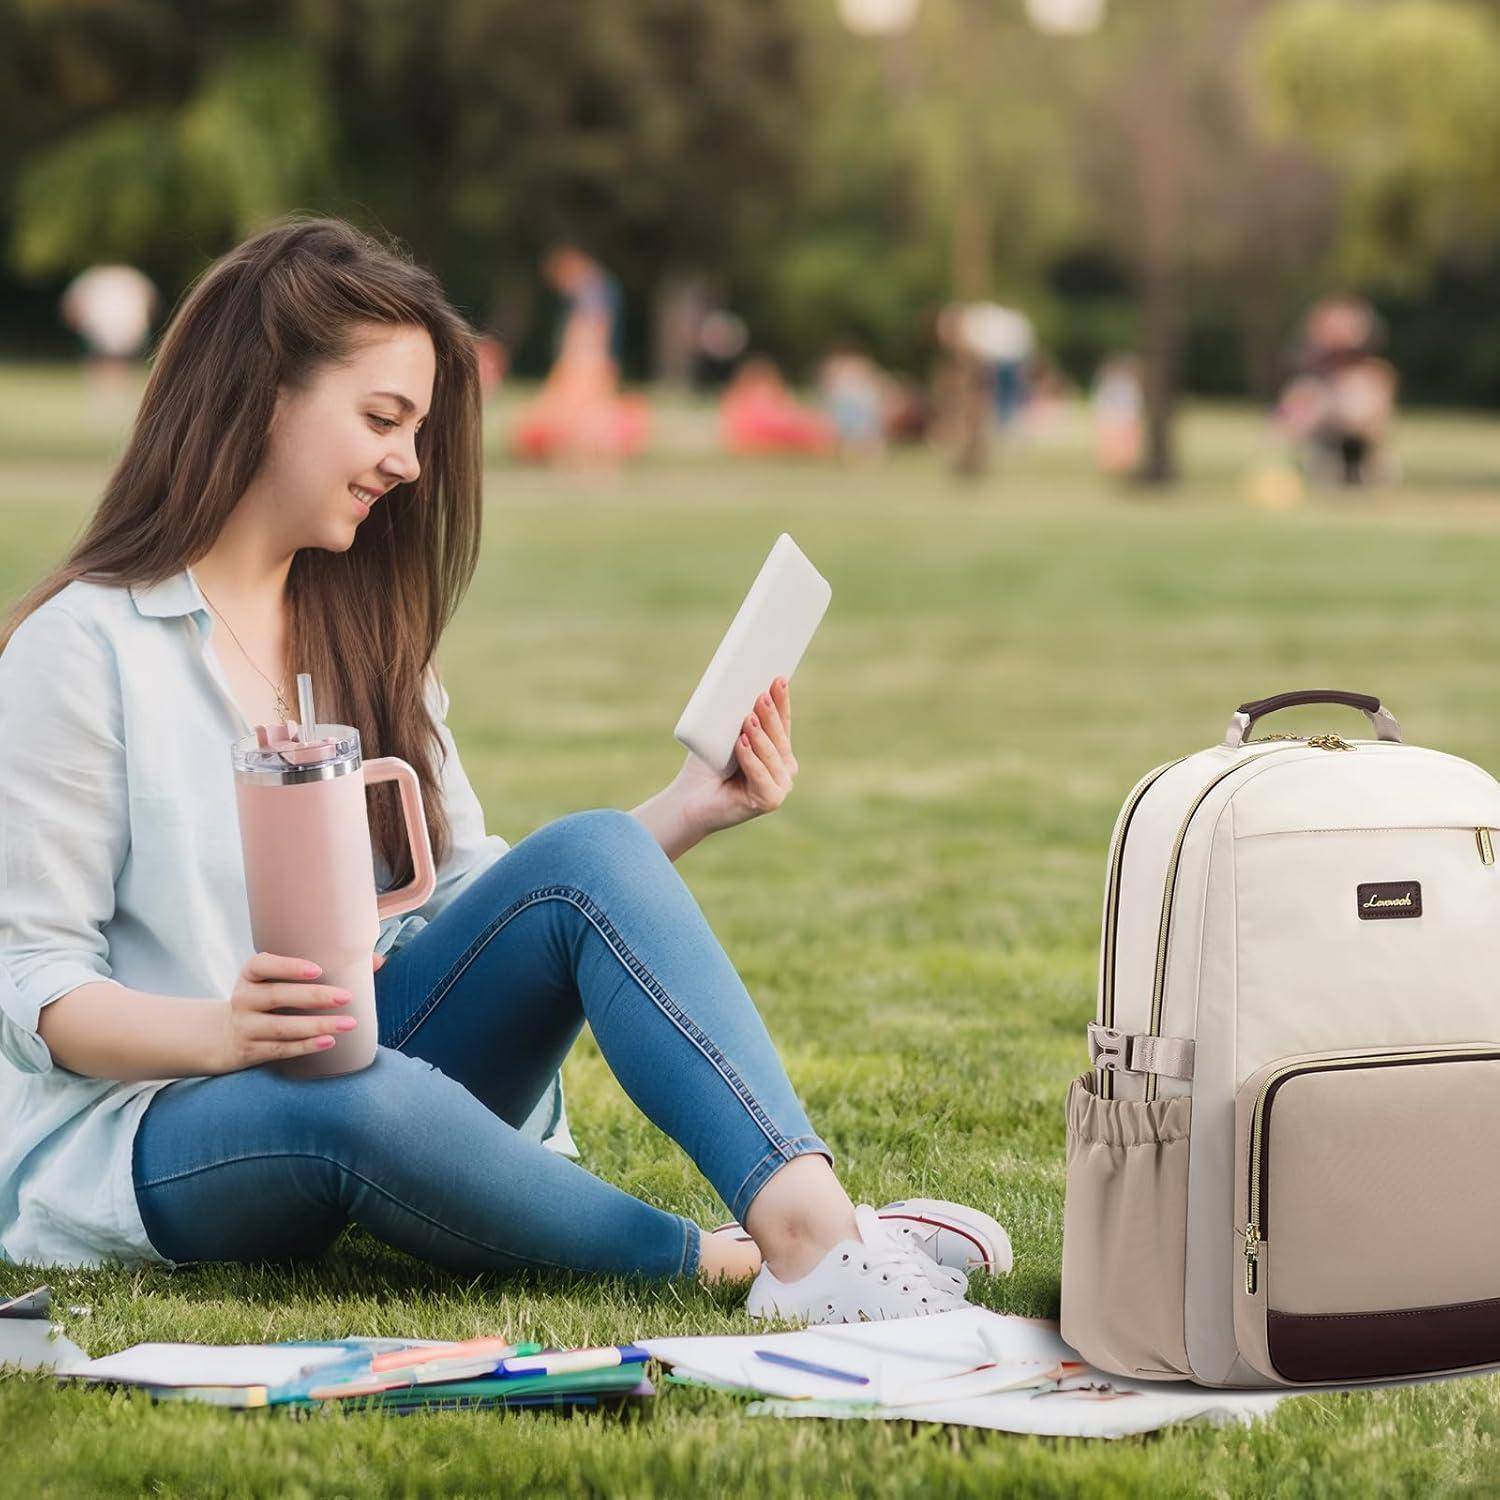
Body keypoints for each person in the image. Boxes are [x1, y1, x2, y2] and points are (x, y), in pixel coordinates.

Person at [0, 218, 1007, 1323]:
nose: (409, 462)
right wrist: (226, 1035)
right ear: (262, 393)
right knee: (351, 1097)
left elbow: (475, 905)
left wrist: (679, 815)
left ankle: (820, 1243)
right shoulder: (84, 647)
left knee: (591, 854)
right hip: (157, 1127)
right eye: (382, 419)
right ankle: (729, 1263)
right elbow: (35, 987)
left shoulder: (363, 638)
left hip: (363, 1058)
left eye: (420, 428)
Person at [511, 245, 649, 467]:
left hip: (586, 362)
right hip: (591, 362)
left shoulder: (591, 292)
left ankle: (580, 455)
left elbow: (588, 334)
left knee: (578, 414)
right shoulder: (600, 289)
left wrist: (577, 362)